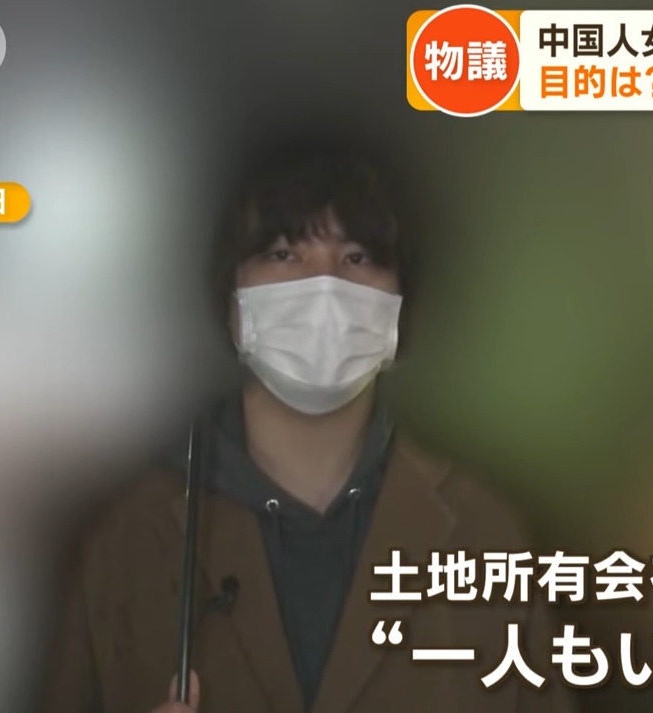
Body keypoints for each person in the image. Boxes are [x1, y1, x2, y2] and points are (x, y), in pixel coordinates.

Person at [43, 141, 578, 713]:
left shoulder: (482, 533)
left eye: (357, 257)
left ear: (401, 303)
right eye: (283, 253)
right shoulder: (125, 536)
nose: (324, 287)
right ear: (231, 299)